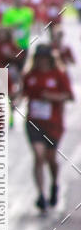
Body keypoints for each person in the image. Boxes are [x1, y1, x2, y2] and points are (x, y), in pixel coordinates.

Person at [20, 45, 74, 211]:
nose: (42, 61)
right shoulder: (30, 76)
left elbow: (70, 96)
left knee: (51, 159)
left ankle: (54, 184)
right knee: (38, 156)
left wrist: (52, 97)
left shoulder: (59, 75)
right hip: (34, 122)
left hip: (53, 124)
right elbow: (22, 93)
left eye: (44, 58)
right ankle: (41, 194)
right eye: (39, 58)